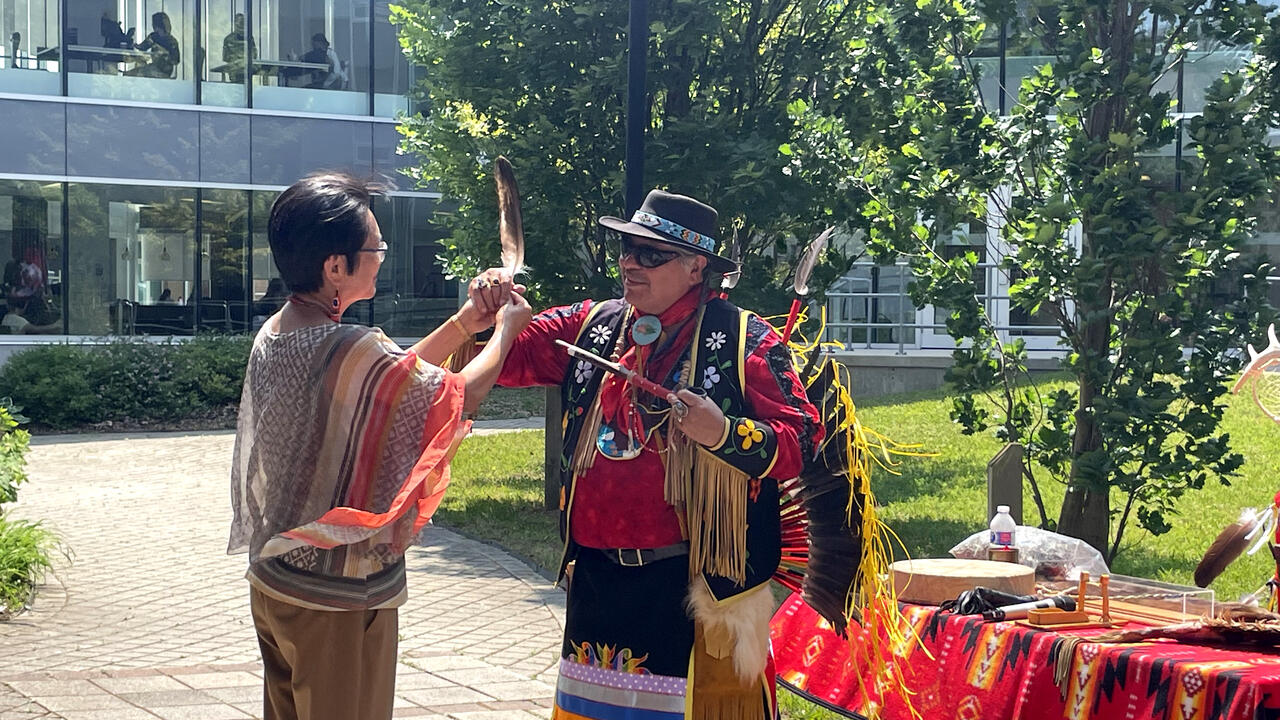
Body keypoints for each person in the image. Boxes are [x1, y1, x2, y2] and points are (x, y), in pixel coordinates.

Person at [468, 189, 822, 719]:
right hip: (595, 580)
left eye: (650, 254)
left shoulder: (744, 339)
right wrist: (483, 315)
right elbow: (503, 358)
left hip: (697, 588)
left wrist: (723, 431)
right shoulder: (595, 324)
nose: (630, 263)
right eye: (626, 248)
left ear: (696, 264)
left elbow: (802, 441)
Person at [227, 172, 531, 720]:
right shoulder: (346, 344)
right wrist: (506, 330)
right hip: (333, 592)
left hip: (277, 577)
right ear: (335, 266)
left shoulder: (277, 330)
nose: (382, 257)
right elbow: (457, 393)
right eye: (375, 248)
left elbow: (396, 380)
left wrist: (467, 322)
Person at [127, 12, 179, 78]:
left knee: (133, 75)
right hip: (154, 67)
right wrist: (133, 45)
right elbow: (143, 46)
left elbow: (176, 60)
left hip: (164, 71)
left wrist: (164, 54)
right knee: (129, 74)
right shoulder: (154, 36)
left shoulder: (172, 42)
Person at [220, 13, 255, 83]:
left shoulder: (249, 38)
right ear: (235, 23)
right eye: (240, 22)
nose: (241, 25)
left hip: (246, 72)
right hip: (234, 72)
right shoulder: (228, 39)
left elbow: (254, 54)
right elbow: (225, 57)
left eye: (243, 22)